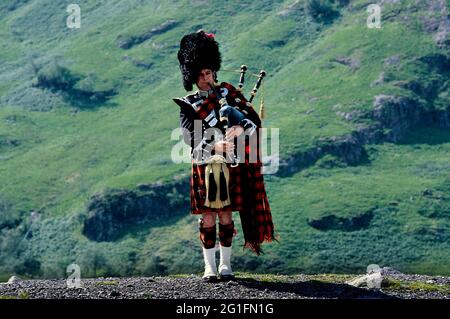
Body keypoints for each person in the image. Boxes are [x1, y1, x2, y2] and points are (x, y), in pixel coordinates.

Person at [173, 30, 276, 282]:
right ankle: (209, 267)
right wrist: (215, 147)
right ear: (193, 78)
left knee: (227, 215)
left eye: (208, 73)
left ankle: (226, 266)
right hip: (205, 166)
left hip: (232, 165)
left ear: (214, 72)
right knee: (208, 216)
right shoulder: (189, 105)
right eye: (200, 75)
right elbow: (189, 137)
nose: (206, 78)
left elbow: (253, 120)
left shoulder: (229, 93)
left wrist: (240, 126)